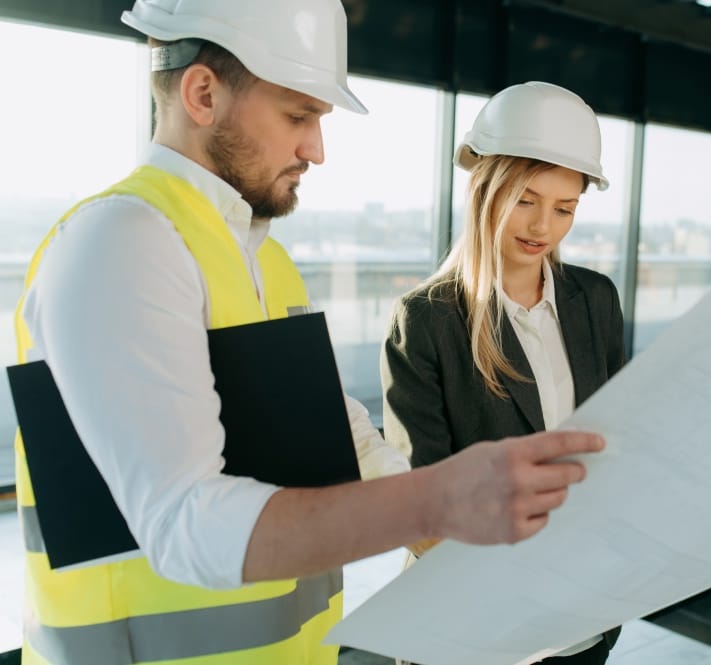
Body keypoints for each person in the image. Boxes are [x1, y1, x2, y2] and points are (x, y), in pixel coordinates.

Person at [12, 3, 605, 663]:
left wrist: (458, 537)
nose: (316, 149)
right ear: (202, 94)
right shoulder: (118, 243)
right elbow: (185, 524)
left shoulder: (267, 260)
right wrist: (433, 500)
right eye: (299, 115)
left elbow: (335, 425)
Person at [381, 81, 625, 664]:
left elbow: (616, 441)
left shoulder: (594, 300)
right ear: (484, 188)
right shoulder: (429, 319)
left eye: (565, 208)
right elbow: (423, 499)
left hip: (580, 623)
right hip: (476, 628)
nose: (544, 225)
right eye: (526, 198)